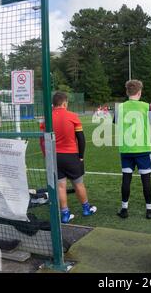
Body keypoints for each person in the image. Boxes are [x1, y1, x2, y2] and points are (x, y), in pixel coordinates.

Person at [116, 80, 151, 219]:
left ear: (127, 92)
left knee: (126, 179)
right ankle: (149, 210)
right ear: (139, 92)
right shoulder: (148, 107)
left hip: (126, 149)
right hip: (142, 148)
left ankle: (124, 209)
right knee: (146, 179)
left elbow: (117, 125)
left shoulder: (119, 107)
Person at [52, 92, 97, 223]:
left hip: (55, 156)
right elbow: (81, 139)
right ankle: (86, 209)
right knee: (78, 184)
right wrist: (81, 156)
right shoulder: (72, 116)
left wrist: (47, 155)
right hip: (71, 156)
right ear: (65, 103)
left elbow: (43, 140)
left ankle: (65, 214)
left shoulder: (47, 118)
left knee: (60, 186)